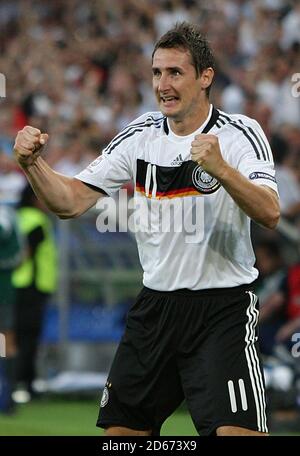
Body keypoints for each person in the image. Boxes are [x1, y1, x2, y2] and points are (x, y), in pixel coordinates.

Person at [13, 22, 280, 436]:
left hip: (222, 309)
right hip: (155, 309)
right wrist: (33, 165)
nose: (163, 84)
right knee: (120, 435)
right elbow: (68, 202)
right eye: (156, 73)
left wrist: (223, 170)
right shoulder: (140, 136)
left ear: (205, 77)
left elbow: (270, 213)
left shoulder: (240, 134)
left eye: (175, 72)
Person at [12, 184, 57, 402]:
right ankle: (20, 384)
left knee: (10, 336)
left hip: (13, 286)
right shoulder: (37, 221)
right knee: (27, 338)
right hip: (31, 287)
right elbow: (26, 253)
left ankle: (21, 383)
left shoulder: (15, 217)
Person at [0, 204, 23, 413]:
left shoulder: (5, 216)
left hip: (3, 291)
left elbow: (18, 256)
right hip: (5, 290)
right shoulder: (8, 214)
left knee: (5, 340)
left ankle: (6, 396)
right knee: (6, 340)